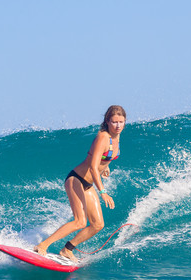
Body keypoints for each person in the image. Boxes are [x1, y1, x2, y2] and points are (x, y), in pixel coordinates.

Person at [34, 105, 126, 262]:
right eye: (114, 122)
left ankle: (67, 250)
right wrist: (103, 192)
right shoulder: (103, 137)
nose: (118, 125)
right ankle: (42, 245)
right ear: (107, 121)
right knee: (80, 221)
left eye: (121, 122)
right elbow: (92, 166)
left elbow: (102, 160)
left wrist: (106, 167)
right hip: (76, 179)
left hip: (88, 185)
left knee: (97, 225)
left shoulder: (116, 138)